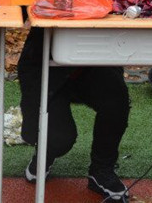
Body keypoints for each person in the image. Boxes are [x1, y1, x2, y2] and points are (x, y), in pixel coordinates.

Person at [17, 27, 131, 202]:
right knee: (61, 138)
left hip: (95, 60)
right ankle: (45, 153)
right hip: (46, 62)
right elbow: (22, 12)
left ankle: (101, 170)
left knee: (117, 100)